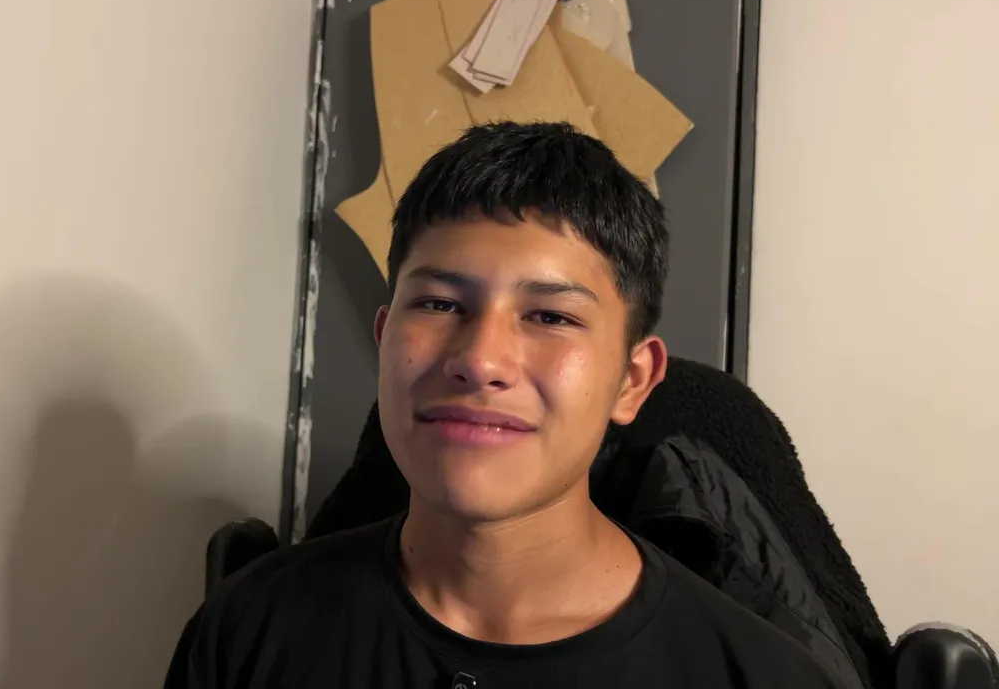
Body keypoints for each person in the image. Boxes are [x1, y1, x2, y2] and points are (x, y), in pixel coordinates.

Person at [165, 122, 844, 688]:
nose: (480, 360)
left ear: (632, 381)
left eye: (550, 317)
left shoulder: (760, 675)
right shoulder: (247, 632)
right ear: (385, 337)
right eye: (439, 304)